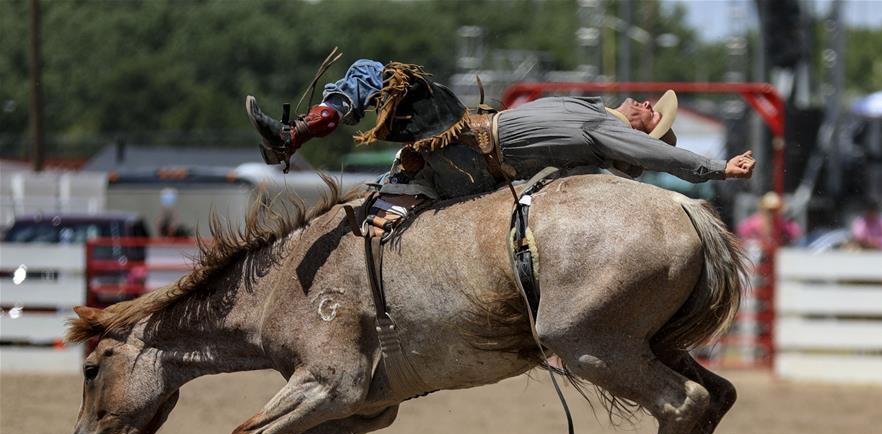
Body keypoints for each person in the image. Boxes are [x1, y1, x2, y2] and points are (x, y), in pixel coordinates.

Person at [246, 59, 755, 203]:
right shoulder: (595, 117)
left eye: (652, 113)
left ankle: (291, 137)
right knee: (377, 76)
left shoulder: (608, 132)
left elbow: (660, 157)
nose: (647, 103)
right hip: (473, 141)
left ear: (643, 133)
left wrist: (716, 169)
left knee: (383, 74)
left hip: (472, 148)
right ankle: (294, 135)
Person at [736, 192, 801, 246]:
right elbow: (741, 232)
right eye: (769, 210)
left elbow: (796, 233)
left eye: (775, 210)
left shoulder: (785, 225)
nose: (772, 214)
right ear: (763, 210)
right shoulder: (752, 224)